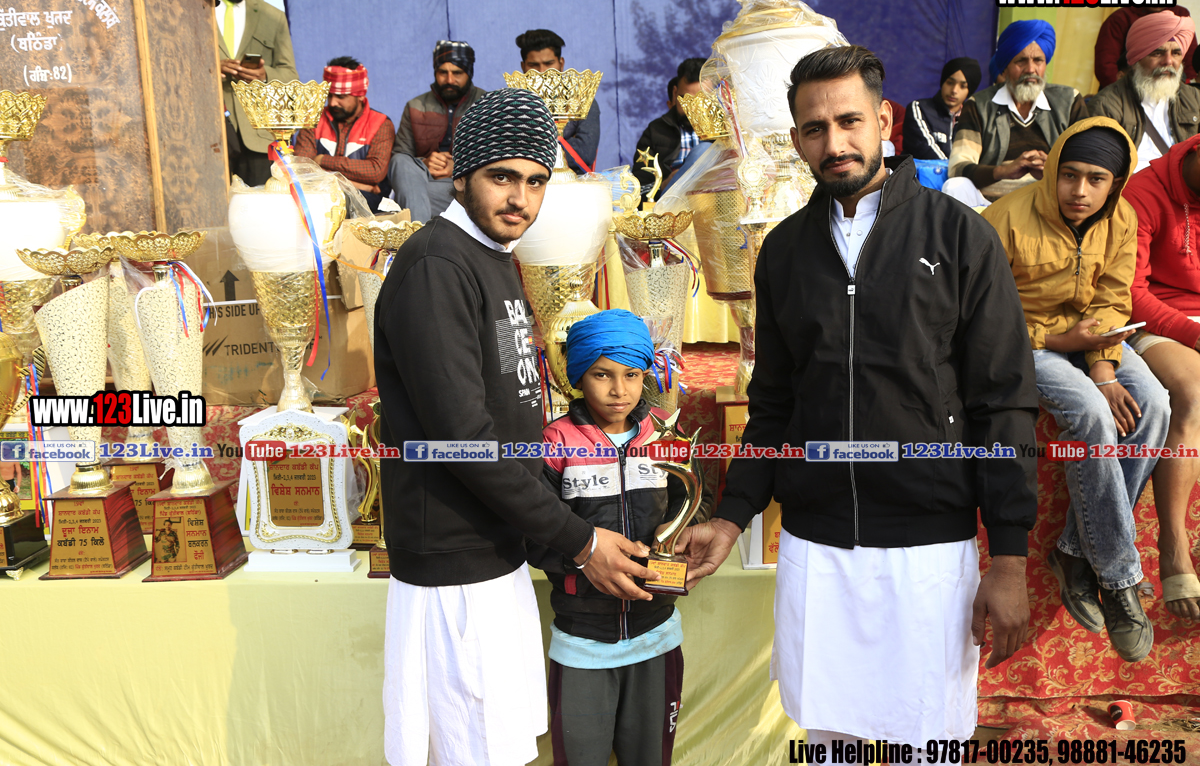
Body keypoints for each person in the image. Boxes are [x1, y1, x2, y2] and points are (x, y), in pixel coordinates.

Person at [675, 45, 1039, 748]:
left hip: (928, 547)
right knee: (829, 740)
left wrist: (1010, 558)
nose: (835, 143)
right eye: (815, 129)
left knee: (926, 743)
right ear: (796, 140)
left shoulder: (959, 235)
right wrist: (731, 516)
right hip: (817, 548)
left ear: (885, 120)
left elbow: (1003, 402)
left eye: (849, 121)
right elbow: (773, 402)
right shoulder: (783, 251)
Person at [374, 87, 658, 766]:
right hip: (454, 569)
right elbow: (464, 440)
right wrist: (580, 541)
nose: (520, 199)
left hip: (495, 552)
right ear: (459, 174)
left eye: (536, 181)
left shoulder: (492, 257)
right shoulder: (437, 265)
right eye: (502, 177)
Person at [982, 118, 1170, 661]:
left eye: (1095, 179)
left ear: (1116, 183)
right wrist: (1062, 341)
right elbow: (983, 310)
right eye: (1070, 175)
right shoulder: (1004, 218)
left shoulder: (1123, 218)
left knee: (1155, 405)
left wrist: (1103, 366)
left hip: (1095, 338)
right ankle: (1119, 577)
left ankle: (1073, 551)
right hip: (1028, 342)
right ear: (1054, 171)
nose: (1079, 191)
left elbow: (1113, 299)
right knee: (1090, 412)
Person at [530, 309, 712, 766]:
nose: (619, 390)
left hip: (657, 635)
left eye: (631, 375)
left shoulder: (666, 432)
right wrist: (582, 556)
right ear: (578, 376)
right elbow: (534, 534)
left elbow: (696, 500)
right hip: (582, 642)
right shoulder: (554, 443)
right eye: (602, 374)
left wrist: (679, 536)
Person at [1124, 133, 1200, 622]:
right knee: (1193, 392)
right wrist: (1192, 333)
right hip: (1156, 322)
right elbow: (1130, 293)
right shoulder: (1144, 191)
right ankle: (1173, 546)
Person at [945, 20, 1089, 207]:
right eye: (1021, 61)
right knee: (955, 186)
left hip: (1049, 199)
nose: (1030, 69)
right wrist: (1004, 171)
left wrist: (1053, 168)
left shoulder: (1069, 101)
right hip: (990, 203)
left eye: (1038, 60)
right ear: (1005, 67)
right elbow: (958, 167)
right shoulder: (979, 105)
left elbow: (1087, 160)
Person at [215, 0, 297, 187]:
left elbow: (291, 76)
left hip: (259, 136)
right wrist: (212, 68)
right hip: (213, 135)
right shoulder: (197, 9)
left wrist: (264, 74)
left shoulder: (273, 17)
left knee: (261, 204)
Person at [388, 41, 487, 222]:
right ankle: (422, 232)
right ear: (435, 72)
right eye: (443, 72)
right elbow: (401, 158)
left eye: (457, 73)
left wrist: (458, 167)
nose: (449, 80)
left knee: (410, 197)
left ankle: (417, 230)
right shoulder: (415, 106)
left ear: (469, 73)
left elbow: (495, 158)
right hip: (420, 179)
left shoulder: (486, 105)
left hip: (464, 185)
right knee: (399, 160)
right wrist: (424, 163)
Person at [1092, 12, 1199, 174]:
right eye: (1157, 53)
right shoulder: (1106, 104)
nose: (1168, 61)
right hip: (1130, 184)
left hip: (1181, 183)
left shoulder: (1194, 98)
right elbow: (1100, 164)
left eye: (1176, 53)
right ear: (1138, 58)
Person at [293, 57, 396, 212]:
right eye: (329, 95)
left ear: (360, 95)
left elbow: (375, 171)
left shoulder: (381, 124)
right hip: (319, 197)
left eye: (340, 97)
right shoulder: (313, 120)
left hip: (367, 203)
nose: (332, 103)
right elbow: (302, 169)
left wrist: (322, 160)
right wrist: (354, 184)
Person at [516, 29, 600, 174]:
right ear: (523, 67)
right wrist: (564, 144)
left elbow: (585, 153)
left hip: (573, 184)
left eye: (549, 63)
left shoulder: (583, 101)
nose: (542, 72)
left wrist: (529, 146)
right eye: (534, 65)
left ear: (561, 63)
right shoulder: (512, 104)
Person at [1094, 0, 1194, 89]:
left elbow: (1190, 60)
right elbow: (1105, 65)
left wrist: (1181, 91)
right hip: (1125, 88)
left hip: (1169, 89)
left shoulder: (1180, 16)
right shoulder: (1121, 18)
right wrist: (1122, 91)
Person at [633, 58, 706, 199]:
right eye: (685, 99)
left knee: (703, 150)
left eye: (699, 100)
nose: (691, 108)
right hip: (669, 201)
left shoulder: (726, 131)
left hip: (714, 200)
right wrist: (663, 184)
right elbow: (639, 186)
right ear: (675, 93)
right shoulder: (656, 131)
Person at [902, 57, 982, 161]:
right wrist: (954, 168)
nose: (954, 90)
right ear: (942, 82)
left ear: (969, 91)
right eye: (950, 82)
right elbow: (925, 149)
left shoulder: (973, 119)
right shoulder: (919, 108)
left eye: (962, 86)